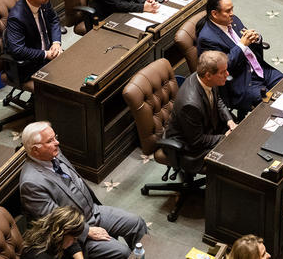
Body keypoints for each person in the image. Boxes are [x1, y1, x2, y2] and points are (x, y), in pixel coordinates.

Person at [19, 121, 147, 259]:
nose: (57, 143)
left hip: (93, 211)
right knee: (122, 252)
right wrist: (87, 230)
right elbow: (55, 222)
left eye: (55, 137)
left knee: (136, 223)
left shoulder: (52, 153)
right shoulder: (31, 183)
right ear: (35, 150)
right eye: (50, 140)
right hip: (75, 233)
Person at [197, 0, 283, 116]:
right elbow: (222, 66)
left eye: (232, 9)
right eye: (228, 11)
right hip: (242, 81)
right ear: (214, 14)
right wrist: (242, 45)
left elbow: (249, 45)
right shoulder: (207, 38)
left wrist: (256, 38)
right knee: (272, 103)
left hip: (260, 69)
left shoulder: (234, 20)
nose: (232, 14)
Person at [164, 50, 237, 174]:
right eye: (223, 72)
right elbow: (196, 141)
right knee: (232, 157)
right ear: (208, 75)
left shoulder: (205, 79)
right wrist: (224, 137)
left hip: (205, 127)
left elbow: (217, 100)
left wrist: (229, 120)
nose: (227, 74)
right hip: (190, 147)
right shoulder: (190, 105)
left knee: (240, 138)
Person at [4, 0, 63, 81]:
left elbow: (54, 20)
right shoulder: (17, 18)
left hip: (50, 53)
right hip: (30, 64)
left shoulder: (44, 1)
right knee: (63, 82)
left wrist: (56, 43)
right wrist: (45, 54)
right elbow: (18, 50)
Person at [21, 207, 87, 259]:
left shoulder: (54, 238)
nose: (74, 241)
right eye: (74, 238)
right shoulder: (38, 255)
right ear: (62, 233)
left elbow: (74, 245)